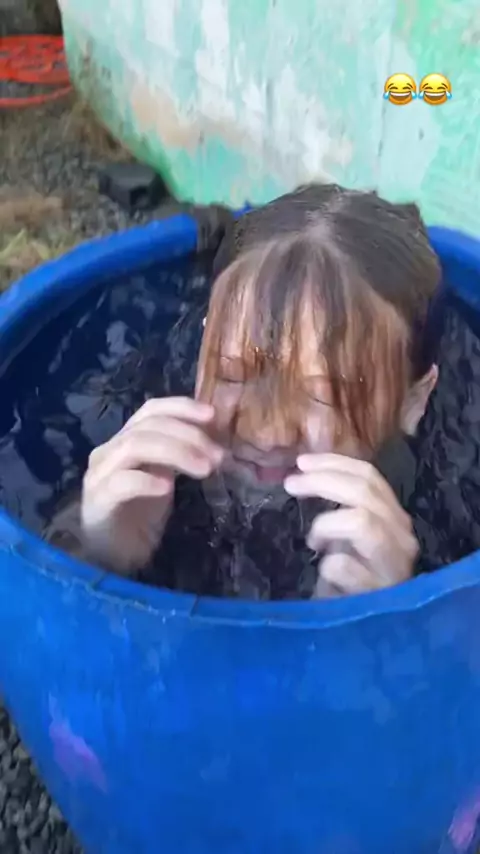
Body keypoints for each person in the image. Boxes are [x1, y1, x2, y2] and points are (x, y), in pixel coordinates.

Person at [77, 184, 442, 600]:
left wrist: (386, 613)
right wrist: (101, 552)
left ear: (413, 402)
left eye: (323, 394)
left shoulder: (448, 492)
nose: (266, 433)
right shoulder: (151, 422)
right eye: (232, 373)